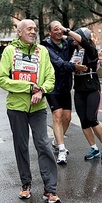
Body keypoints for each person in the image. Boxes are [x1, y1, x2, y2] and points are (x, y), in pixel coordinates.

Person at [0, 19, 61, 203]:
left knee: (43, 144)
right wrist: (28, 87)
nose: (33, 32)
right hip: (16, 107)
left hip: (38, 107)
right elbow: (1, 79)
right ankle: (26, 184)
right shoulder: (10, 51)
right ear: (19, 32)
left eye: (35, 29)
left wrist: (41, 90)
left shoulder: (42, 51)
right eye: (29, 29)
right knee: (21, 146)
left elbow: (51, 77)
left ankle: (50, 189)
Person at [61, 25, 102, 161]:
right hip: (79, 89)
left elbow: (82, 41)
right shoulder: (73, 49)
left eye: (76, 36)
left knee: (91, 118)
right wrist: (59, 31)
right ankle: (94, 148)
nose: (73, 38)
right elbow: (65, 39)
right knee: (83, 120)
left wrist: (67, 30)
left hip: (92, 88)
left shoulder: (90, 50)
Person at [41, 21, 87, 165]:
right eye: (56, 29)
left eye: (61, 29)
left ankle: (56, 141)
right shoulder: (46, 47)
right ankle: (62, 150)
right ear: (50, 32)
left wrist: (68, 30)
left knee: (67, 118)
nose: (59, 31)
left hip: (66, 86)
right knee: (58, 115)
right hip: (52, 86)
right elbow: (59, 63)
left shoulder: (67, 43)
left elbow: (83, 42)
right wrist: (75, 66)